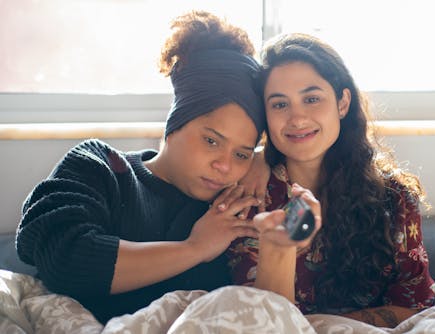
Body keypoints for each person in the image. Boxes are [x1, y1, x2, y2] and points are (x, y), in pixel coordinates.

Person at [15, 10, 266, 324]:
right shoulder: (100, 166)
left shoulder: (231, 205)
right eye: (211, 141)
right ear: (175, 122)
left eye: (242, 154)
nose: (224, 165)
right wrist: (194, 248)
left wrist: (266, 158)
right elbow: (65, 260)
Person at [226, 32, 435, 328]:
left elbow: (417, 305)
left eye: (311, 99)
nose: (297, 118)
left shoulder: (394, 197)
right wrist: (282, 246)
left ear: (342, 102)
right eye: (279, 104)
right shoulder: (249, 198)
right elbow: (262, 320)